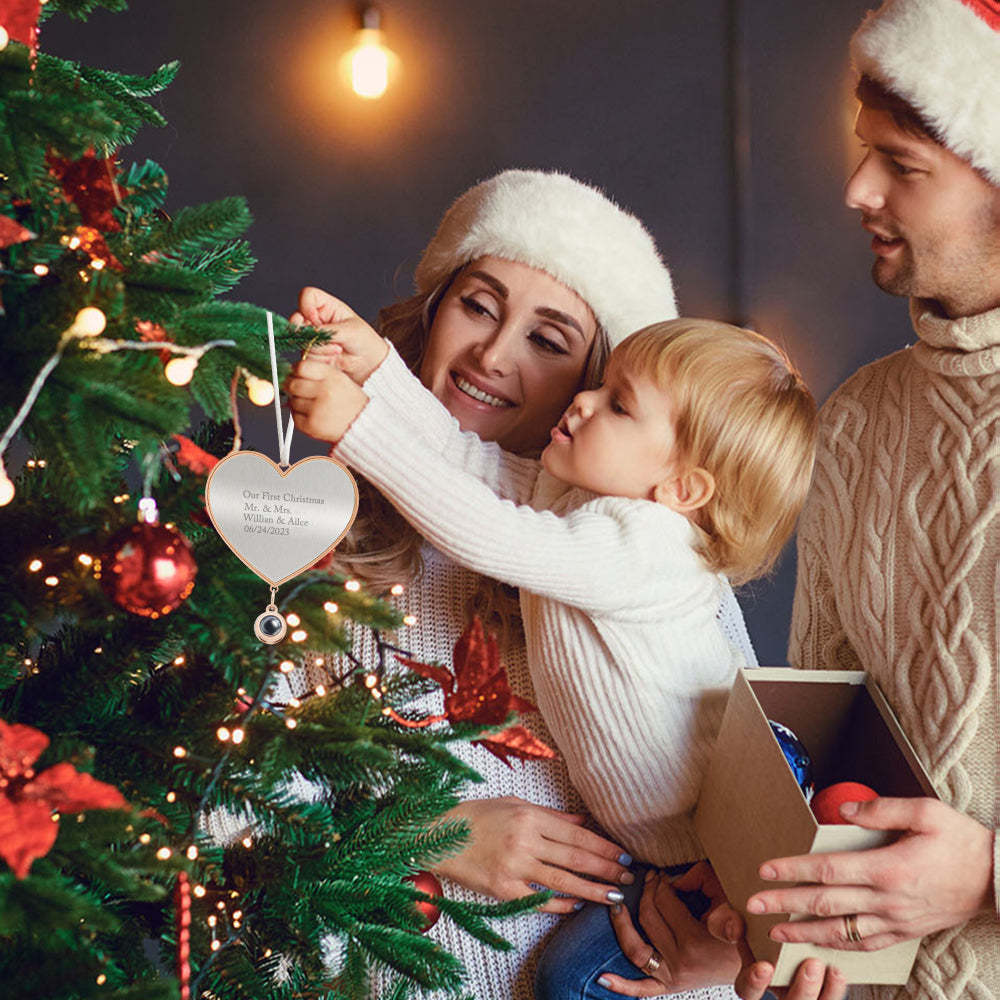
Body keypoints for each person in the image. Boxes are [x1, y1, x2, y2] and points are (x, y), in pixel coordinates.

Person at [599, 2, 1000, 998]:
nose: (856, 189)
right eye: (865, 153)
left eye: (901, 165)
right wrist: (759, 887)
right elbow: (822, 728)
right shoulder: (859, 419)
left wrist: (985, 874)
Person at [286, 169, 760, 999]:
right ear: (434, 310)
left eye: (549, 341)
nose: (493, 357)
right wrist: (426, 833)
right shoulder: (299, 530)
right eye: (477, 305)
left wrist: (728, 948)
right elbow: (206, 797)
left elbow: (748, 809)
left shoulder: (656, 556)